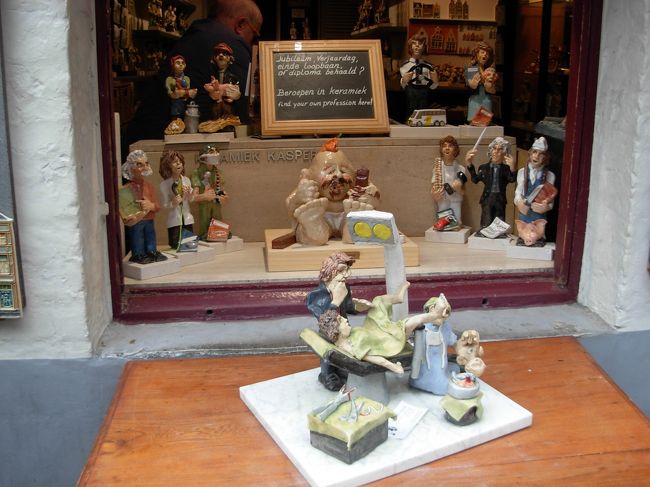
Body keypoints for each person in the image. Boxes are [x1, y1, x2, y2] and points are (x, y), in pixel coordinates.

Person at [123, 0, 262, 151]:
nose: (253, 43)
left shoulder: (193, 35)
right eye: (254, 36)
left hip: (142, 141)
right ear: (241, 25)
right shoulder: (234, 46)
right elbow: (244, 111)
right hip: (169, 149)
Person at [318, 282, 451, 375]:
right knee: (411, 322)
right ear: (336, 329)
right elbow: (372, 358)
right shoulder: (352, 345)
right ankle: (436, 314)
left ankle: (398, 298)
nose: (346, 320)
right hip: (388, 341)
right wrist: (393, 367)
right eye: (342, 321)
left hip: (375, 330)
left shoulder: (344, 337)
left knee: (378, 301)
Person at [307, 252, 372, 390]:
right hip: (329, 331)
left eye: (347, 270)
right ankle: (327, 375)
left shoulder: (344, 288)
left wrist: (358, 307)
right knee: (329, 351)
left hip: (344, 327)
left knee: (345, 349)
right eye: (341, 270)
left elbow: (348, 307)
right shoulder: (316, 296)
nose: (346, 275)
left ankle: (341, 370)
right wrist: (335, 301)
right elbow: (324, 319)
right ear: (328, 272)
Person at [120, 150, 167, 264]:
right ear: (131, 168)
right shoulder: (126, 190)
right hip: (137, 220)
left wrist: (151, 206)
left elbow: (157, 206)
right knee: (137, 236)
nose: (144, 167)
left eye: (146, 164)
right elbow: (125, 207)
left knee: (150, 235)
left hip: (149, 219)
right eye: (139, 164)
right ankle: (138, 254)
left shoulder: (149, 187)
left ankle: (152, 251)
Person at [465, 136, 516, 233]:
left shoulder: (506, 169)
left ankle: (499, 233)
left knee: (499, 220)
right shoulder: (483, 168)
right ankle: (485, 232)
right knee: (486, 220)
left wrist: (513, 168)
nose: (496, 152)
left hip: (500, 199)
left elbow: (512, 179)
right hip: (487, 198)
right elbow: (475, 179)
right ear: (490, 151)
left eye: (500, 149)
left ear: (505, 153)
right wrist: (469, 164)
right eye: (494, 148)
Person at [513, 136, 556, 224]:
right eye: (534, 152)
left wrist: (546, 207)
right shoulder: (522, 172)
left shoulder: (550, 175)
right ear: (530, 154)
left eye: (541, 154)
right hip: (524, 215)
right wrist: (519, 202)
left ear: (545, 157)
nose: (536, 156)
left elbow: (551, 199)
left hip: (539, 218)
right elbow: (518, 193)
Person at [158, 150, 195, 250]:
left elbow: (191, 199)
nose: (178, 163)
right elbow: (165, 204)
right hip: (174, 218)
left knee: (190, 243)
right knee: (175, 244)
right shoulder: (164, 185)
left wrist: (189, 194)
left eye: (180, 161)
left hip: (186, 217)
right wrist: (173, 203)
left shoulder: (186, 180)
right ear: (167, 166)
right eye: (174, 162)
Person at [400, 34, 438, 120]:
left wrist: (435, 81)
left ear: (424, 47)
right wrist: (404, 81)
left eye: (420, 44)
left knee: (423, 115)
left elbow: (433, 86)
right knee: (410, 113)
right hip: (410, 95)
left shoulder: (429, 67)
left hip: (424, 95)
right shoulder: (404, 66)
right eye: (414, 43)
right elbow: (402, 86)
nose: (417, 46)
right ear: (410, 47)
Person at [431, 135, 467, 226]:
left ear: (455, 150)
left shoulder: (461, 169)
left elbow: (463, 192)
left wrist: (458, 189)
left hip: (455, 200)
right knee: (444, 223)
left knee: (456, 222)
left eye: (450, 146)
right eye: (444, 146)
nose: (447, 148)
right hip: (442, 200)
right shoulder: (437, 168)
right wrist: (434, 194)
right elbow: (433, 187)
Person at [203, 42, 241, 120]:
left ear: (229, 58)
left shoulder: (233, 77)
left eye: (224, 54)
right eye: (218, 54)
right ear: (214, 58)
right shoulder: (212, 76)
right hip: (215, 108)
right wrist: (211, 94)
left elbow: (237, 90)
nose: (221, 55)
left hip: (228, 107)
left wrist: (234, 96)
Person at [465, 41, 497, 122]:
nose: (485, 55)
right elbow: (471, 85)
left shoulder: (490, 70)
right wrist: (473, 83)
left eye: (487, 53)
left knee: (485, 123)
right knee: (475, 122)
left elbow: (493, 91)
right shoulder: (471, 69)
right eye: (482, 52)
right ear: (476, 54)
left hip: (486, 101)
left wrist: (490, 86)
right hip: (475, 101)